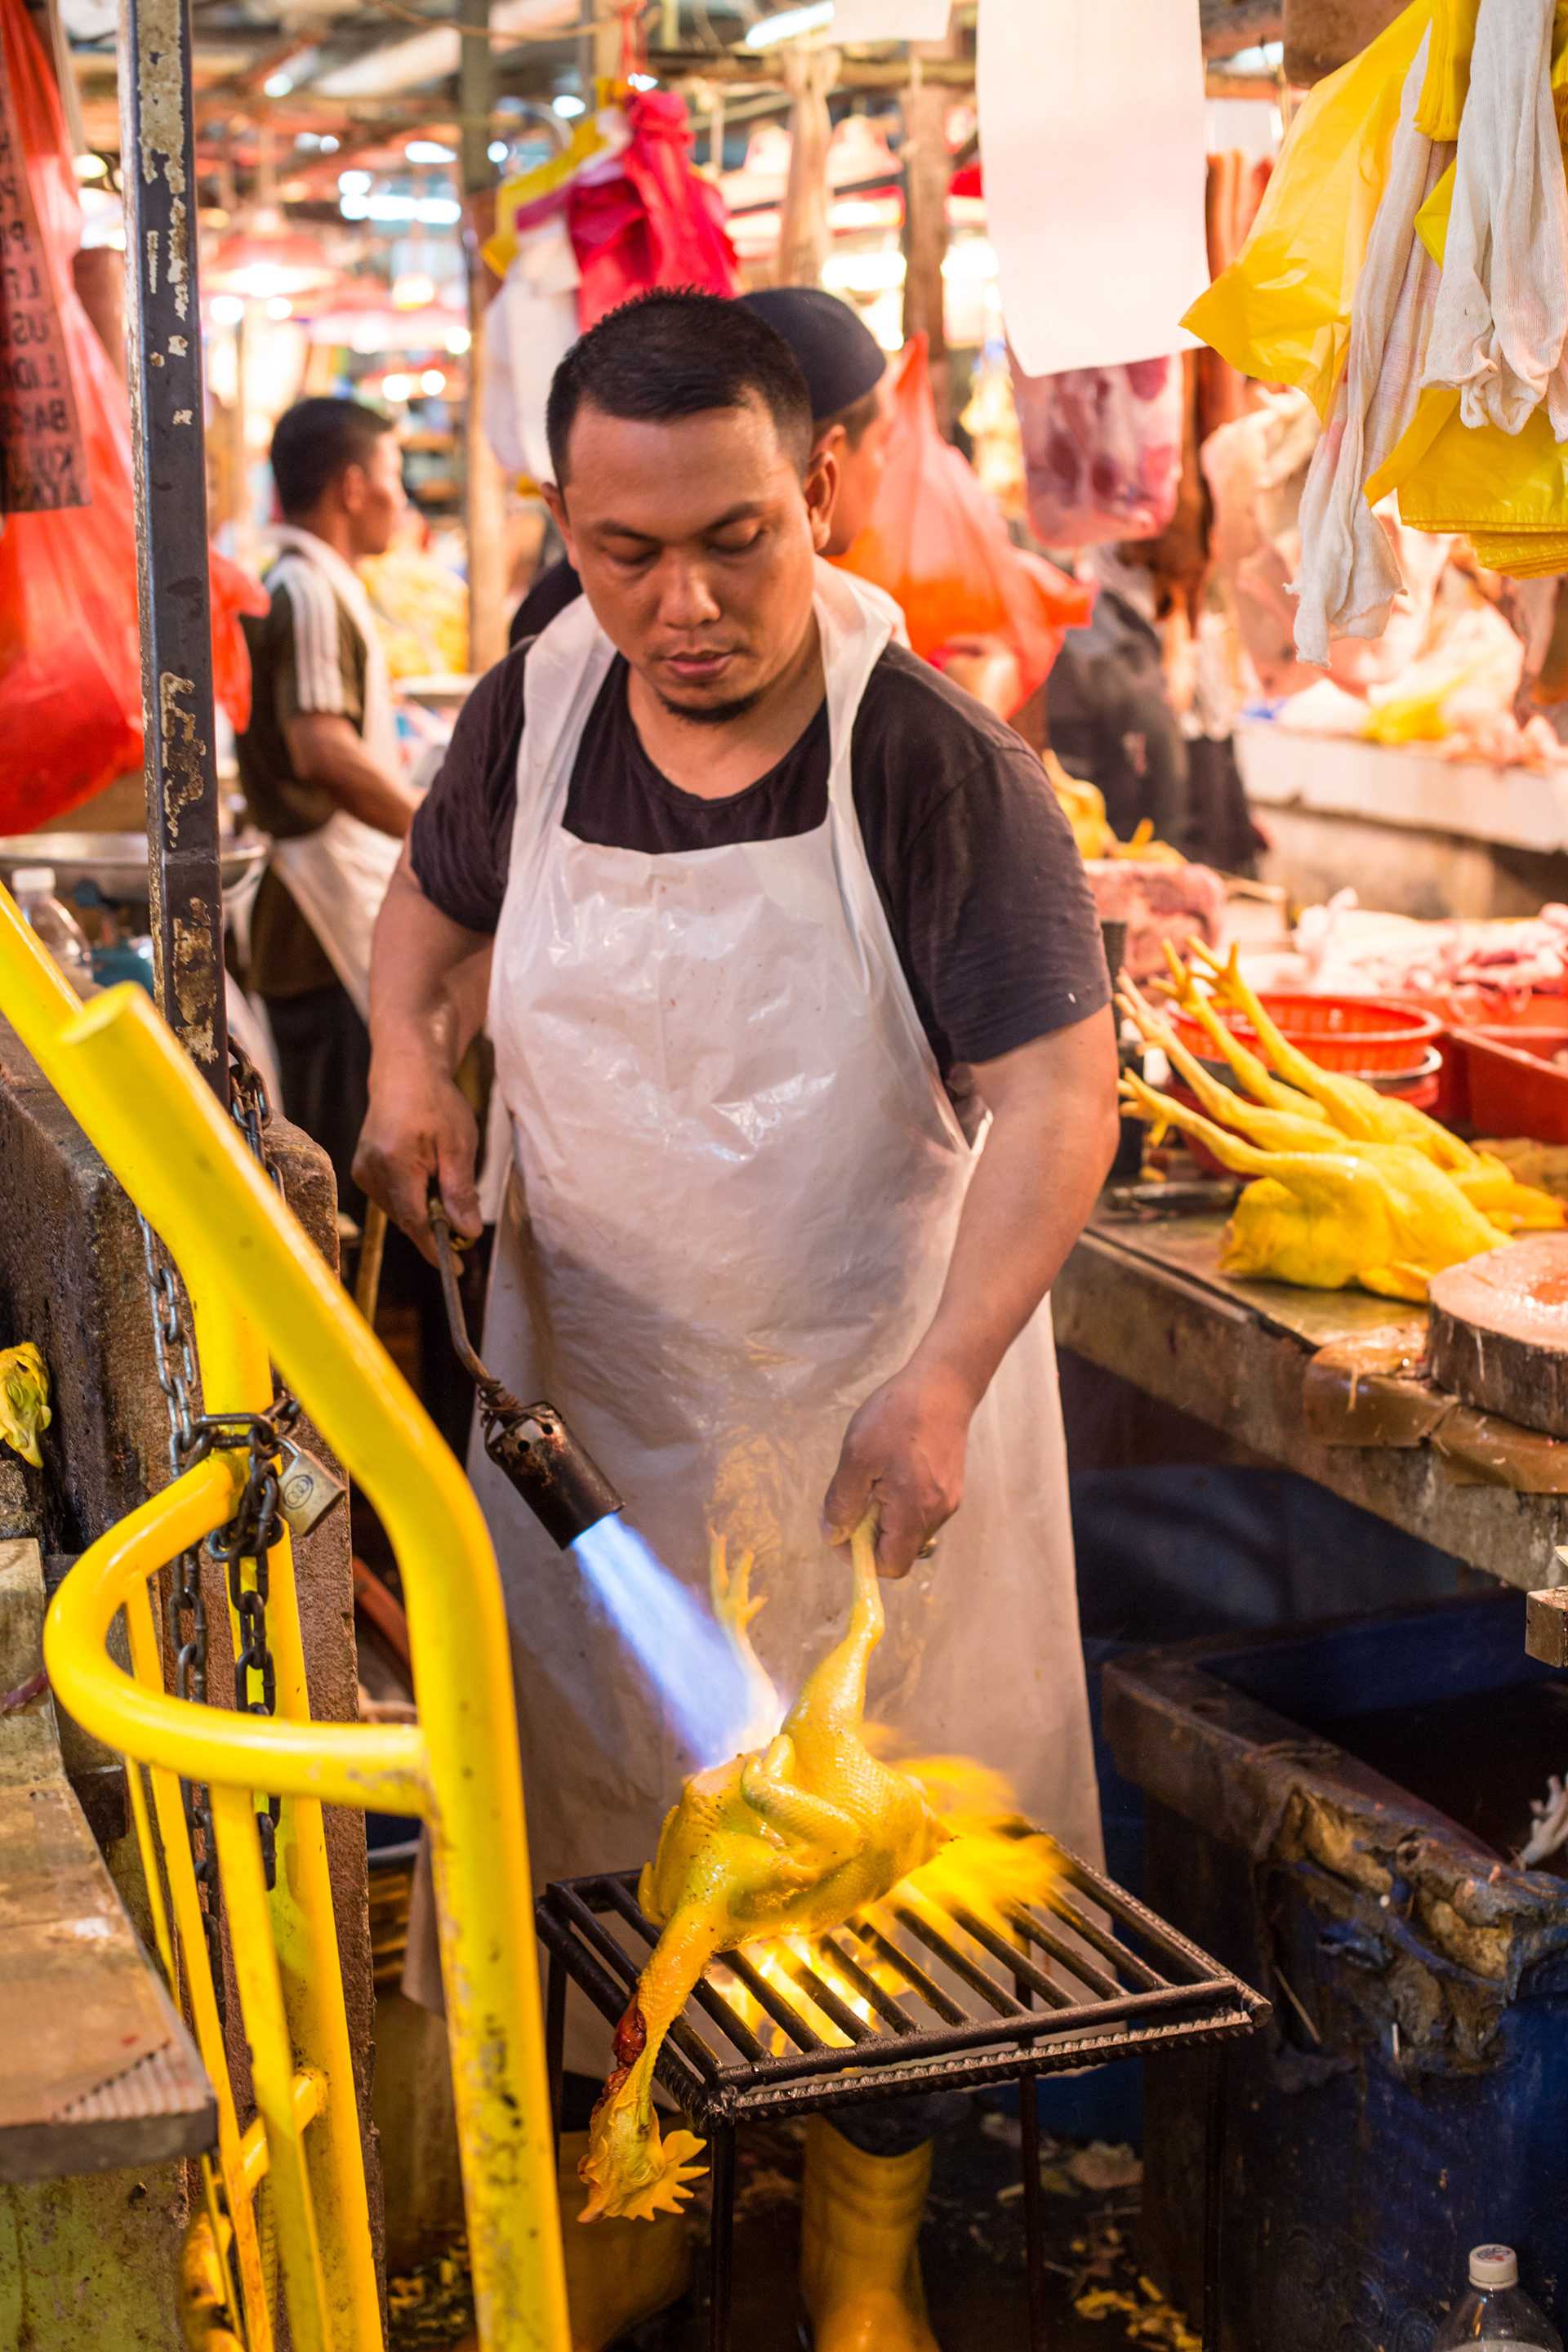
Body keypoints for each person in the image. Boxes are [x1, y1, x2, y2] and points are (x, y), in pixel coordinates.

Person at [355, 292, 1119, 2352]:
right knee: (601, 1826)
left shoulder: (935, 764)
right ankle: (640, 2196)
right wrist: (405, 1071)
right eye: (625, 554)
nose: (679, 604)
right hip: (597, 1421)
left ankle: (856, 2259)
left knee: (871, 1860)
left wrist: (945, 1376)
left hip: (867, 1422)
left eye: (736, 542)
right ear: (564, 522)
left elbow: (1064, 1099)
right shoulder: (536, 708)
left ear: (823, 493)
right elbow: (428, 908)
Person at [237, 397, 420, 1200]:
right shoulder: (305, 588)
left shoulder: (315, 582)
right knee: (334, 1161)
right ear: (351, 487)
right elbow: (323, 749)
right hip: (316, 909)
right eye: (394, 478)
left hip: (326, 901)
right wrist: (435, 829)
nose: (401, 500)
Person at [506, 283, 894, 644]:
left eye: (734, 543)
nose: (688, 610)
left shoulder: (866, 645)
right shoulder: (551, 650)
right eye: (631, 554)